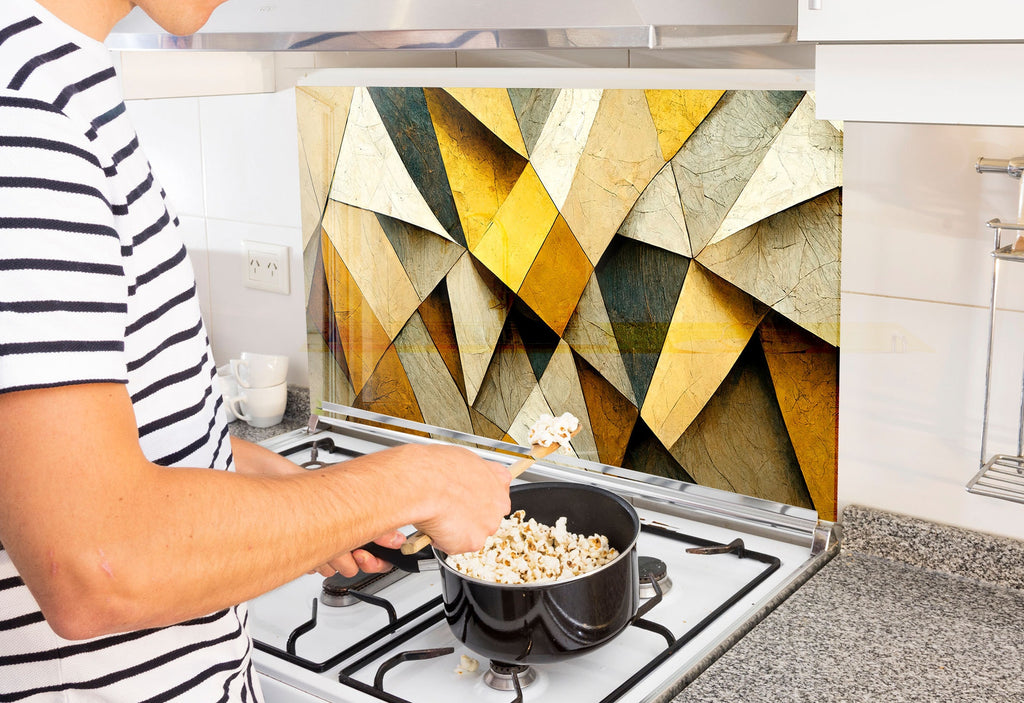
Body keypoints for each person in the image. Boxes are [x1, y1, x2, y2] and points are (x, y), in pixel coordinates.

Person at [0, 0, 513, 699]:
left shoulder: (56, 80)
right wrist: (415, 480)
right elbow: (96, 563)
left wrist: (295, 497)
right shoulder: (24, 116)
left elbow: (79, 454)